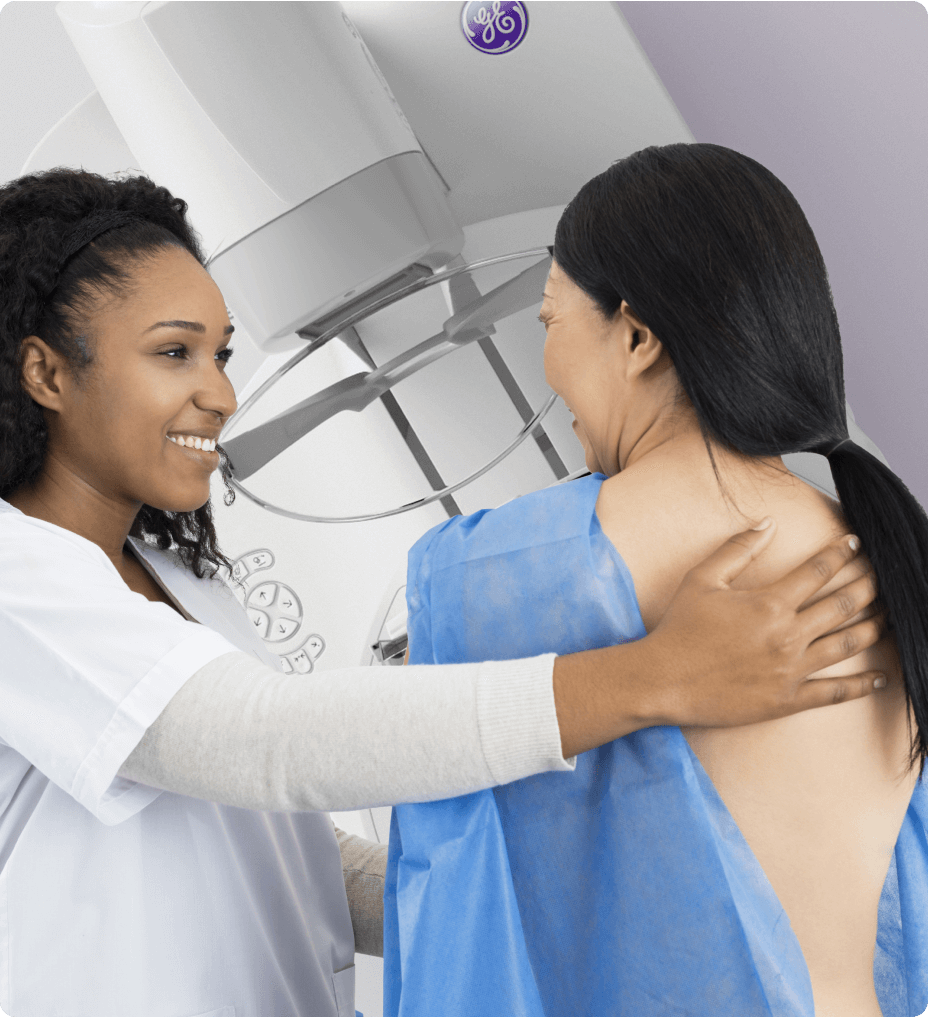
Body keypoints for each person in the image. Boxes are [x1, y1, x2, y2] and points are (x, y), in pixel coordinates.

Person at [0, 167, 886, 1017]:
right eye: (174, 352)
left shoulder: (178, 580)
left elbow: (287, 854)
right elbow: (262, 740)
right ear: (45, 373)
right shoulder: (15, 576)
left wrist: (551, 893)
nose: (222, 394)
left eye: (221, 354)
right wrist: (660, 675)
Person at [382, 144, 928, 1017]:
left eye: (551, 319)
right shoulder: (879, 552)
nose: (547, 362)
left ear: (636, 336)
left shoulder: (498, 571)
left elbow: (463, 915)